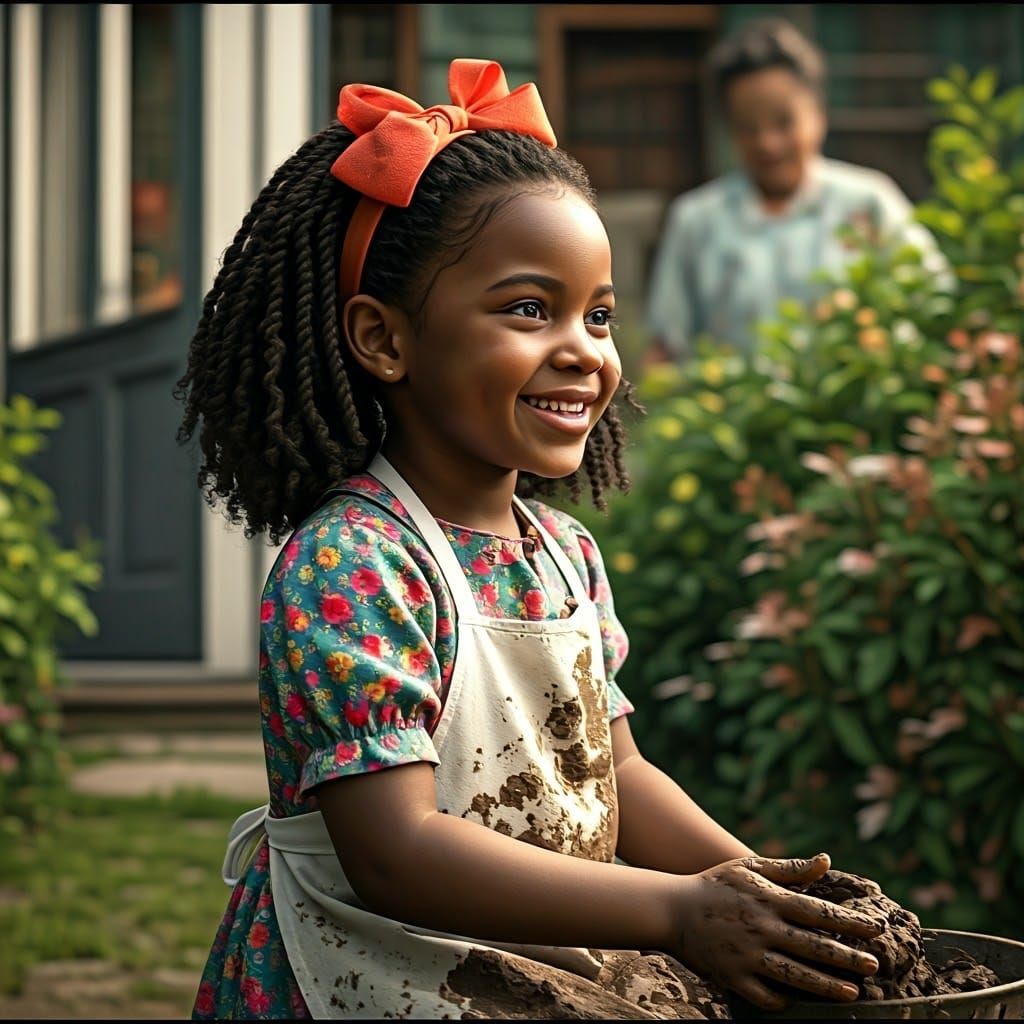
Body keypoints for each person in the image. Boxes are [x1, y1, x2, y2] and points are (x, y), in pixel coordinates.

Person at [176, 59, 885, 1020]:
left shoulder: (563, 554)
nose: (583, 350)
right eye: (527, 309)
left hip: (529, 975)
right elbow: (397, 853)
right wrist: (679, 912)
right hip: (365, 982)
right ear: (385, 339)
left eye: (598, 315)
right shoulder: (354, 564)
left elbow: (620, 775)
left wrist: (760, 889)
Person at [646, 18, 944, 363]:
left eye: (783, 121)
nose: (767, 142)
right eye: (747, 126)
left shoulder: (870, 202)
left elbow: (934, 304)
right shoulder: (696, 220)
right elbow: (666, 349)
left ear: (818, 113)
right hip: (734, 414)